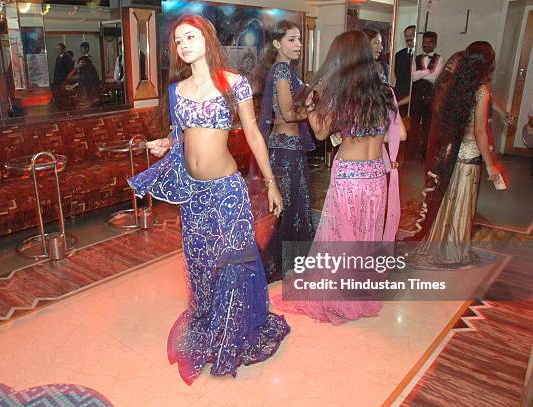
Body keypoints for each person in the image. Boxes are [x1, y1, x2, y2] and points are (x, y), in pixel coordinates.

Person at [127, 15, 290, 384]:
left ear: (207, 38)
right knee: (200, 263)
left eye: (190, 36)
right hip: (194, 196)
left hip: (225, 190)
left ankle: (231, 335)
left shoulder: (235, 84)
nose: (183, 44)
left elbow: (253, 133)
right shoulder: (176, 90)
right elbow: (182, 139)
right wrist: (164, 145)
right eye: (178, 41)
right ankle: (209, 324)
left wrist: (271, 182)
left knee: (234, 260)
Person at [272, 30, 406, 324]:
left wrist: (310, 105)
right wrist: (369, 129)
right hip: (374, 178)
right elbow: (401, 133)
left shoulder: (342, 92)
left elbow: (320, 132)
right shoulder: (385, 92)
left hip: (348, 177)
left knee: (339, 237)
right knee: (364, 235)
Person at [410, 41, 501, 267]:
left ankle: (443, 246)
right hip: (469, 155)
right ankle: (452, 251)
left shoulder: (459, 86)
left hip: (454, 151)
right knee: (462, 202)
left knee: (450, 200)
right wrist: (491, 165)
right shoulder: (481, 90)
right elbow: (480, 131)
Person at [253, 20, 315, 283]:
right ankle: (278, 265)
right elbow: (289, 114)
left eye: (300, 39)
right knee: (287, 210)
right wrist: (313, 107)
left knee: (290, 208)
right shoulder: (281, 71)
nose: (298, 44)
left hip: (289, 149)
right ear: (277, 43)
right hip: (284, 151)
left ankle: (287, 264)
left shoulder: (286, 70)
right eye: (292, 39)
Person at [409, 31, 445, 161]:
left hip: (431, 98)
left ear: (435, 44)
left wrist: (421, 73)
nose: (426, 45)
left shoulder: (440, 59)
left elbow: (435, 78)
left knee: (428, 128)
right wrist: (428, 71)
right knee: (414, 127)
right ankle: (411, 154)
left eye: (430, 42)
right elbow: (412, 77)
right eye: (425, 42)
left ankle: (425, 155)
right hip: (416, 98)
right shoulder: (416, 57)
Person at [394, 25, 416, 114]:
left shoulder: (421, 56)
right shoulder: (399, 55)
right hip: (401, 95)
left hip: (416, 98)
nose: (409, 38)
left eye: (412, 35)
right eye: (407, 36)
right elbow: (398, 77)